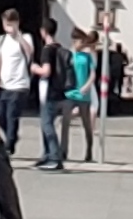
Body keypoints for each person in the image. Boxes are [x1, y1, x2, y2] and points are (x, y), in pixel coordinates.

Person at [0, 7, 35, 153]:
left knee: (12, 116)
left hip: (19, 85)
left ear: (17, 22)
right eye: (6, 24)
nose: (8, 27)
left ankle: (9, 146)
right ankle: (12, 136)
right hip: (4, 84)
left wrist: (18, 35)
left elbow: (30, 52)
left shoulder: (26, 38)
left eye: (11, 24)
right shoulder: (2, 39)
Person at [33, 16, 74, 171]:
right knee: (47, 124)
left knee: (47, 125)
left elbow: (46, 71)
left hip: (49, 91)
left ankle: (55, 157)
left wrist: (34, 68)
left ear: (43, 32)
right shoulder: (60, 48)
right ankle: (47, 155)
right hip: (60, 91)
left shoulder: (47, 50)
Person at [65, 26, 100, 163]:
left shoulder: (88, 56)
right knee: (66, 124)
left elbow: (93, 73)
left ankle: (89, 152)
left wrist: (87, 85)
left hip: (84, 93)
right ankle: (63, 151)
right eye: (80, 41)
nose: (82, 44)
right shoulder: (69, 55)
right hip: (70, 92)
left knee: (87, 124)